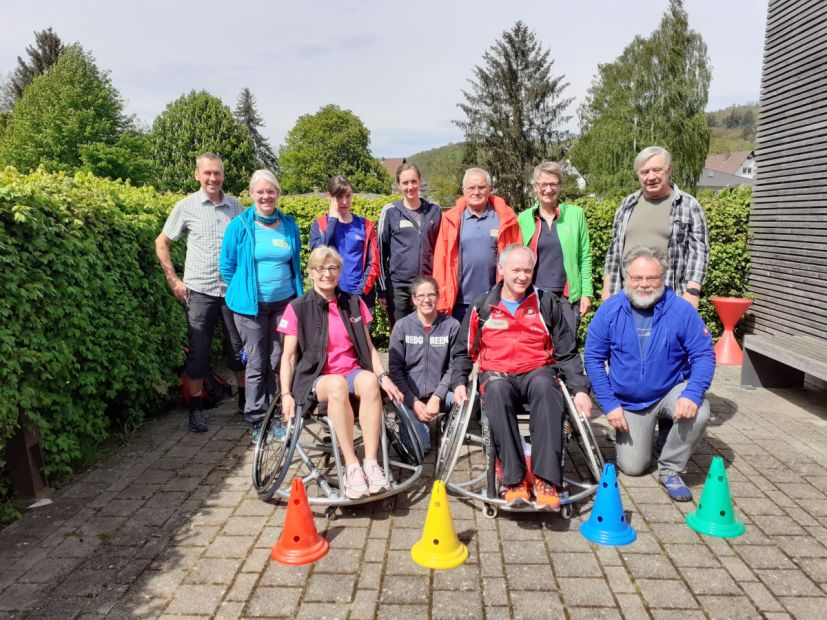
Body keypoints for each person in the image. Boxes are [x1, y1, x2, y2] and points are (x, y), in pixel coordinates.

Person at [451, 244, 593, 508]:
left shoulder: (546, 302)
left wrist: (580, 389)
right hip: (497, 373)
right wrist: (459, 381)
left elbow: (567, 352)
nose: (522, 276)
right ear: (501, 269)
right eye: (516, 270)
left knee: (548, 388)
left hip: (536, 369)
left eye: (527, 270)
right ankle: (514, 480)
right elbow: (462, 351)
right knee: (495, 391)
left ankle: (545, 479)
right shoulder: (482, 306)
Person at [584, 246, 715, 502]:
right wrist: (610, 405)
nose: (644, 285)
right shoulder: (609, 311)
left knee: (700, 410)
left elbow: (703, 355)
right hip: (630, 402)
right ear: (626, 278)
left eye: (651, 278)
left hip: (669, 391)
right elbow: (593, 359)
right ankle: (656, 433)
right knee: (633, 468)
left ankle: (671, 468)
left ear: (662, 278)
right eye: (637, 278)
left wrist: (692, 393)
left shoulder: (682, 310)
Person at [278, 247, 404, 499]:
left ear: (339, 271)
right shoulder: (297, 307)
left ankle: (370, 462)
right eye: (321, 269)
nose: (327, 274)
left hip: (352, 372)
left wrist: (383, 377)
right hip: (317, 378)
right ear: (311, 273)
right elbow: (289, 357)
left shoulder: (354, 303)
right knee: (336, 384)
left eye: (333, 268)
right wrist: (285, 394)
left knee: (368, 382)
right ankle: (352, 466)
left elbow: (368, 349)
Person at [155, 152, 246, 433]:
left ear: (223, 176)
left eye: (217, 173)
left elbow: (246, 244)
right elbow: (162, 241)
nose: (212, 178)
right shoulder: (186, 206)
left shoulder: (236, 206)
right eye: (207, 173)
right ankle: (196, 412)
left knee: (238, 350)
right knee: (198, 354)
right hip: (200, 292)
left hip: (232, 292)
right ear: (197, 175)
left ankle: (245, 404)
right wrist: (173, 280)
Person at [219, 170, 302, 442]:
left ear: (278, 193)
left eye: (271, 191)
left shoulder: (289, 225)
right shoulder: (239, 226)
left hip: (284, 304)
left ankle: (278, 414)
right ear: (251, 194)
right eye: (261, 191)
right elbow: (227, 266)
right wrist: (243, 292)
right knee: (256, 362)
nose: (266, 196)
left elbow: (294, 263)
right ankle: (257, 419)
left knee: (279, 360)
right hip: (250, 309)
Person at [602, 146, 709, 308]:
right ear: (638, 175)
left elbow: (699, 252)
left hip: (669, 299)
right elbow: (614, 250)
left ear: (669, 170)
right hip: (626, 297)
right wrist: (607, 289)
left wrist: (693, 292)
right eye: (644, 172)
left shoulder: (688, 205)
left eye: (657, 170)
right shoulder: (627, 204)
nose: (651, 177)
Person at [433, 168, 521, 322]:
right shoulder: (451, 220)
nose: (476, 192)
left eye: (481, 187)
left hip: (495, 301)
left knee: (492, 346)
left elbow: (517, 258)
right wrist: (441, 299)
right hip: (459, 304)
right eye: (471, 188)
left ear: (490, 189)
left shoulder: (505, 219)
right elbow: (441, 262)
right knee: (460, 346)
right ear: (463, 190)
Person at [518, 161, 593, 336]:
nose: (548, 189)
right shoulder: (524, 218)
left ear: (560, 187)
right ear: (535, 187)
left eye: (553, 184)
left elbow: (585, 256)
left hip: (567, 297)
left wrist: (586, 293)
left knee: (566, 349)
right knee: (537, 351)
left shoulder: (576, 215)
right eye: (543, 184)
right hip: (534, 297)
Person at [388, 276, 460, 453]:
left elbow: (455, 366)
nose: (426, 300)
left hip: (441, 395)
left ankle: (446, 423)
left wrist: (437, 396)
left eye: (431, 295)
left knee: (467, 401)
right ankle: (415, 422)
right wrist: (413, 402)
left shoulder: (451, 325)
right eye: (421, 296)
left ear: (438, 296)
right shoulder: (402, 326)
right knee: (420, 449)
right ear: (413, 299)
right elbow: (395, 370)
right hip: (409, 397)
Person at [377, 163, 442, 325]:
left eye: (413, 181)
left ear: (420, 181)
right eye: (405, 183)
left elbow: (441, 249)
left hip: (426, 287)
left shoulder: (435, 211)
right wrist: (382, 289)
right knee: (400, 335)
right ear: (399, 185)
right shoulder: (390, 211)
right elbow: (379, 253)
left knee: (425, 333)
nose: (410, 187)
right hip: (398, 288)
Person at [309, 175, 380, 307]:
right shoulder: (320, 224)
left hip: (360, 298)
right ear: (330, 197)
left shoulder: (365, 226)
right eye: (339, 197)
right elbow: (317, 256)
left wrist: (359, 292)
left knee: (362, 329)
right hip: (330, 298)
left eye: (348, 195)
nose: (345, 201)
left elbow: (374, 263)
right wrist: (332, 222)